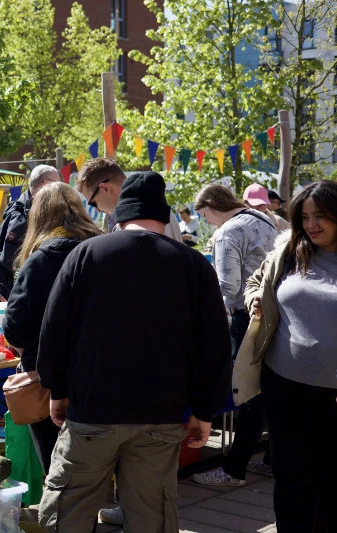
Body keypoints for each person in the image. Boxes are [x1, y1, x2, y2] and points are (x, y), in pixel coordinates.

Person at [35, 171, 231, 532]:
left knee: (69, 513)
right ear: (163, 215)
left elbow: (54, 331)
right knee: (151, 516)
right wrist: (205, 411)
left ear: (120, 214)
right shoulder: (191, 265)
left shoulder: (85, 255)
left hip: (92, 411)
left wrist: (57, 390)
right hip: (160, 415)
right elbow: (215, 346)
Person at [77, 158, 184, 527]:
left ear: (106, 188)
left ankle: (137, 504)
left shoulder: (156, 215)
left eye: (92, 200)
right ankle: (132, 503)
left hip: (149, 350)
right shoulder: (115, 223)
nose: (93, 208)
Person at [241, 181, 337, 531]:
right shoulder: (289, 251)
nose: (312, 225)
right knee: (292, 475)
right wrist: (255, 299)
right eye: (306, 217)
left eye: (322, 216)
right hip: (284, 384)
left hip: (333, 393)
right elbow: (254, 282)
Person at [2, 182, 102, 472]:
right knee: (99, 463)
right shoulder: (102, 250)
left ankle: (64, 517)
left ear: (39, 216)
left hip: (49, 380)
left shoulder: (41, 259)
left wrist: (30, 353)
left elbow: (15, 325)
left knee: (56, 466)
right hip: (102, 372)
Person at [192, 183, 277, 487]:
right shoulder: (264, 219)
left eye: (204, 215)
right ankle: (270, 460)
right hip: (272, 312)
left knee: (249, 391)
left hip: (245, 314)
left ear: (212, 207)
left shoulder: (228, 231)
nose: (206, 221)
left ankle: (234, 469)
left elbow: (227, 286)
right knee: (267, 389)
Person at [0, 165, 60, 299]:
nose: (59, 191)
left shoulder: (34, 211)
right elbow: (12, 263)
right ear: (46, 184)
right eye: (57, 184)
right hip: (16, 296)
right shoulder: (19, 218)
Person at [77, 158, 183, 242]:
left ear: (105, 188)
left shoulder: (146, 214)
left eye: (93, 203)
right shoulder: (159, 208)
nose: (97, 210)